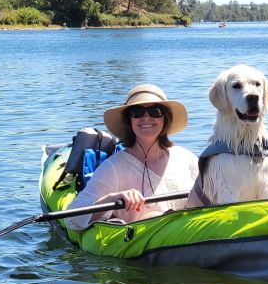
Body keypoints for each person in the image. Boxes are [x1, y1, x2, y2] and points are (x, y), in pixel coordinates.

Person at [65, 84, 199, 231]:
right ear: (129, 120)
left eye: (155, 111)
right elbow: (71, 219)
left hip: (192, 236)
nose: (146, 117)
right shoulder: (113, 167)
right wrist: (113, 198)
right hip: (147, 248)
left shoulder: (186, 158)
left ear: (165, 119)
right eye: (137, 112)